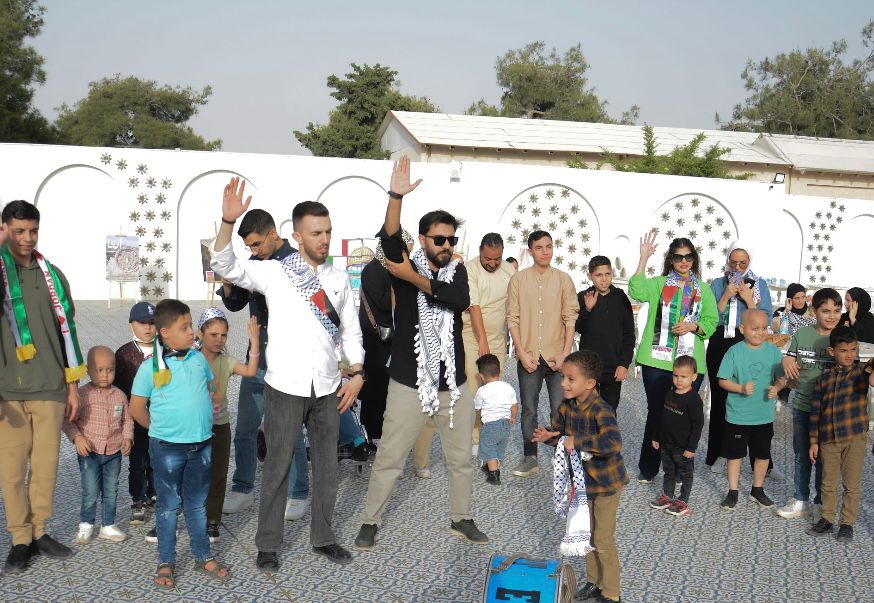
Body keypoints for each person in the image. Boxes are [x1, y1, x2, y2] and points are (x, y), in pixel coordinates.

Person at [212, 179, 364, 569]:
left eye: (328, 231)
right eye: (316, 233)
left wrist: (358, 372)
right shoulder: (274, 273)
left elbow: (351, 331)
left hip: (327, 388)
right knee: (277, 467)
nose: (325, 239)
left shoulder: (338, 280)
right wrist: (228, 221)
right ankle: (268, 545)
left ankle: (324, 538)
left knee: (327, 469)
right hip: (284, 387)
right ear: (296, 236)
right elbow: (224, 265)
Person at [354, 156, 487, 551]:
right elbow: (389, 239)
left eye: (451, 240)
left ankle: (461, 518)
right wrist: (396, 196)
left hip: (452, 385)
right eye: (439, 239)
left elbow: (457, 300)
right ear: (424, 239)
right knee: (390, 457)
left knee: (461, 460)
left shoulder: (457, 272)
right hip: (409, 382)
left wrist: (412, 279)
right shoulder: (402, 264)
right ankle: (370, 521)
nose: (446, 246)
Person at [0, 200, 83, 574]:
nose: (27, 238)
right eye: (18, 230)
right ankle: (20, 538)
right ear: (5, 230)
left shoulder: (53, 275)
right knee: (12, 470)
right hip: (8, 390)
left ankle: (39, 531)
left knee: (45, 468)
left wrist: (72, 385)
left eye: (33, 230)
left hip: (50, 386)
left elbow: (68, 331)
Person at [129, 299, 230, 588]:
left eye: (190, 326)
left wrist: (201, 415)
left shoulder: (198, 359)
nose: (191, 332)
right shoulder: (151, 368)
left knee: (197, 504)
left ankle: (202, 555)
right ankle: (166, 561)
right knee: (169, 505)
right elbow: (136, 408)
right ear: (164, 333)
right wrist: (159, 429)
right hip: (168, 448)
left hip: (201, 445)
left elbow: (209, 388)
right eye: (184, 327)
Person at [217, 209, 306, 519]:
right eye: (248, 247)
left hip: (288, 364)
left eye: (256, 244)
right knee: (245, 429)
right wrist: (228, 282)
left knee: (288, 432)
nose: (253, 252)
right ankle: (242, 489)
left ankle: (298, 493)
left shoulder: (297, 263)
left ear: (273, 234)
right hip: (256, 360)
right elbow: (235, 304)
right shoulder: (254, 263)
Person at [532, 350, 628, 603]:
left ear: (590, 383)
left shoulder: (601, 409)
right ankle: (594, 582)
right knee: (587, 534)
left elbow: (613, 443)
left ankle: (612, 593)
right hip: (583, 483)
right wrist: (549, 437)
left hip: (606, 484)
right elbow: (561, 436)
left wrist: (578, 441)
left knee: (602, 539)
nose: (563, 383)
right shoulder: (567, 406)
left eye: (570, 379)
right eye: (563, 377)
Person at [414, 232, 515, 471]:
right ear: (480, 252)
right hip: (472, 338)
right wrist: (482, 342)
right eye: (488, 258)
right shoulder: (469, 270)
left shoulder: (509, 270)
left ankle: (484, 441)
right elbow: (475, 307)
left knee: (492, 393)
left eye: (497, 259)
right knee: (472, 390)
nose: (492, 263)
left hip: (498, 340)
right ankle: (470, 440)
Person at [628, 230, 717, 483]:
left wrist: (693, 326)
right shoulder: (659, 284)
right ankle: (649, 467)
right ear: (671, 260)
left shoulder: (704, 289)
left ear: (694, 259)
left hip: (688, 364)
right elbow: (636, 290)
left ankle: (679, 469)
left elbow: (711, 321)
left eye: (688, 256)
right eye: (678, 257)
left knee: (684, 417)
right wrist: (643, 258)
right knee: (657, 412)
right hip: (657, 360)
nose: (684, 261)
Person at [507, 230, 579, 477]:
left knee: (560, 410)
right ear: (530, 251)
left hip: (557, 357)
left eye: (549, 246)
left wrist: (565, 354)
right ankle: (530, 458)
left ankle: (563, 457)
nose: (545, 252)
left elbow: (570, 318)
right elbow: (513, 318)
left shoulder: (563, 280)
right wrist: (520, 352)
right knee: (529, 409)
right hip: (528, 356)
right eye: (539, 247)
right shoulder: (518, 280)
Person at [705, 245, 773, 473]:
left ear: (749, 262)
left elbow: (765, 319)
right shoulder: (718, 283)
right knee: (720, 398)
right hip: (721, 341)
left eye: (742, 263)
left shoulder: (759, 284)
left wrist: (749, 300)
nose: (737, 267)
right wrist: (726, 295)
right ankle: (719, 453)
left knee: (753, 397)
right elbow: (710, 318)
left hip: (749, 342)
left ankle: (761, 459)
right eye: (733, 262)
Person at [776, 288, 842, 520]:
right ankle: (800, 499)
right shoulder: (802, 334)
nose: (832, 316)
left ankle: (821, 503)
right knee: (801, 455)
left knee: (825, 458)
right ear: (814, 311)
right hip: (803, 404)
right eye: (826, 311)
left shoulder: (842, 336)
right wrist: (786, 360)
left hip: (830, 410)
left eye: (836, 311)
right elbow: (790, 358)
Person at [197, 308, 260, 542]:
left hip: (219, 426)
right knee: (192, 473)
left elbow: (250, 371)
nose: (219, 340)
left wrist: (254, 342)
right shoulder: (191, 359)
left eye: (223, 335)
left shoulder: (226, 361)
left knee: (218, 474)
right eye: (213, 334)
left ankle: (212, 519)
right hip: (194, 427)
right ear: (200, 333)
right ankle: (184, 515)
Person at [807, 326, 874, 542]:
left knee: (851, 484)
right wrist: (814, 441)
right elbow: (816, 412)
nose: (849, 355)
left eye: (853, 350)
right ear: (832, 351)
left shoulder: (862, 372)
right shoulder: (823, 379)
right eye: (843, 350)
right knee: (828, 482)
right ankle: (827, 518)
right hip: (828, 438)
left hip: (855, 437)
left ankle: (847, 523)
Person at [716, 310, 785, 510]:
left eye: (764, 328)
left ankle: (757, 488)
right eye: (755, 329)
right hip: (738, 415)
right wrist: (740, 388)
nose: (760, 333)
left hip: (763, 414)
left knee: (762, 454)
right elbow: (722, 380)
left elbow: (781, 378)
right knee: (735, 454)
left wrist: (777, 388)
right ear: (742, 329)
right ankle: (733, 491)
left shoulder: (773, 352)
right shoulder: (734, 351)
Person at [64, 346, 133, 544]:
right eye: (99, 370)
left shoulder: (120, 395)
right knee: (91, 491)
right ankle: (86, 524)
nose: (104, 375)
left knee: (111, 490)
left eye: (110, 370)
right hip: (90, 453)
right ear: (88, 370)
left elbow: (127, 419)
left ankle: (108, 525)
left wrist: (127, 437)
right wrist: (77, 438)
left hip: (113, 453)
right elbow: (67, 421)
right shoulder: (82, 395)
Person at [358, 232, 413, 445]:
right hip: (376, 340)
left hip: (390, 340)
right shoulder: (372, 270)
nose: (406, 256)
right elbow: (382, 304)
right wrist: (398, 288)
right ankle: (373, 435)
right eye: (405, 251)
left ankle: (387, 433)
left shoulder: (391, 269)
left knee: (389, 389)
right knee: (375, 389)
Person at [113, 301, 157, 526]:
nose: (148, 327)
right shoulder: (123, 354)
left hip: (160, 419)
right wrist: (121, 424)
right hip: (135, 419)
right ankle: (137, 500)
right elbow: (118, 391)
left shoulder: (166, 350)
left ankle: (155, 495)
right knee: (138, 462)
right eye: (142, 323)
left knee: (157, 460)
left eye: (152, 323)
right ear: (131, 324)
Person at [575, 256, 635, 411]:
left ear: (612, 273)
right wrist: (587, 310)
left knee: (608, 413)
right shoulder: (583, 297)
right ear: (590, 276)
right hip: (588, 367)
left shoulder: (621, 297)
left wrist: (624, 364)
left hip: (613, 367)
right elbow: (578, 328)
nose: (604, 279)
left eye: (607, 274)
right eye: (598, 275)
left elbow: (629, 334)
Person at [649, 355, 704, 517]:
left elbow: (697, 425)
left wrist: (691, 447)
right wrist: (656, 436)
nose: (679, 380)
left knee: (686, 475)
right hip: (666, 444)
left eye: (684, 376)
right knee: (668, 471)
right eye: (675, 376)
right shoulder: (669, 394)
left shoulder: (693, 400)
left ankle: (683, 501)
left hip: (683, 447)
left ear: (694, 377)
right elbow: (661, 417)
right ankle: (668, 495)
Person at [474, 353, 518, 485]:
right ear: (500, 372)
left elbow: (477, 408)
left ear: (481, 376)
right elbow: (514, 405)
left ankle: (494, 474)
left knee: (488, 447)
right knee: (499, 446)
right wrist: (513, 417)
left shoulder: (482, 390)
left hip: (490, 425)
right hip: (506, 423)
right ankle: (493, 465)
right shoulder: (508, 387)